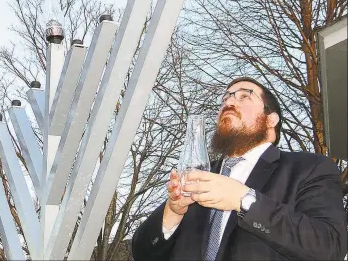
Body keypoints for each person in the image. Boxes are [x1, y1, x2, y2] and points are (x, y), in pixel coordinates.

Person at [132, 77, 347, 261]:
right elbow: (142, 252)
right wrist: (172, 212)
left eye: (245, 95)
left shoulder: (309, 168)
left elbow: (329, 246)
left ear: (271, 119)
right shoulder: (199, 178)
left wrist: (244, 200)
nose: (229, 100)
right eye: (226, 97)